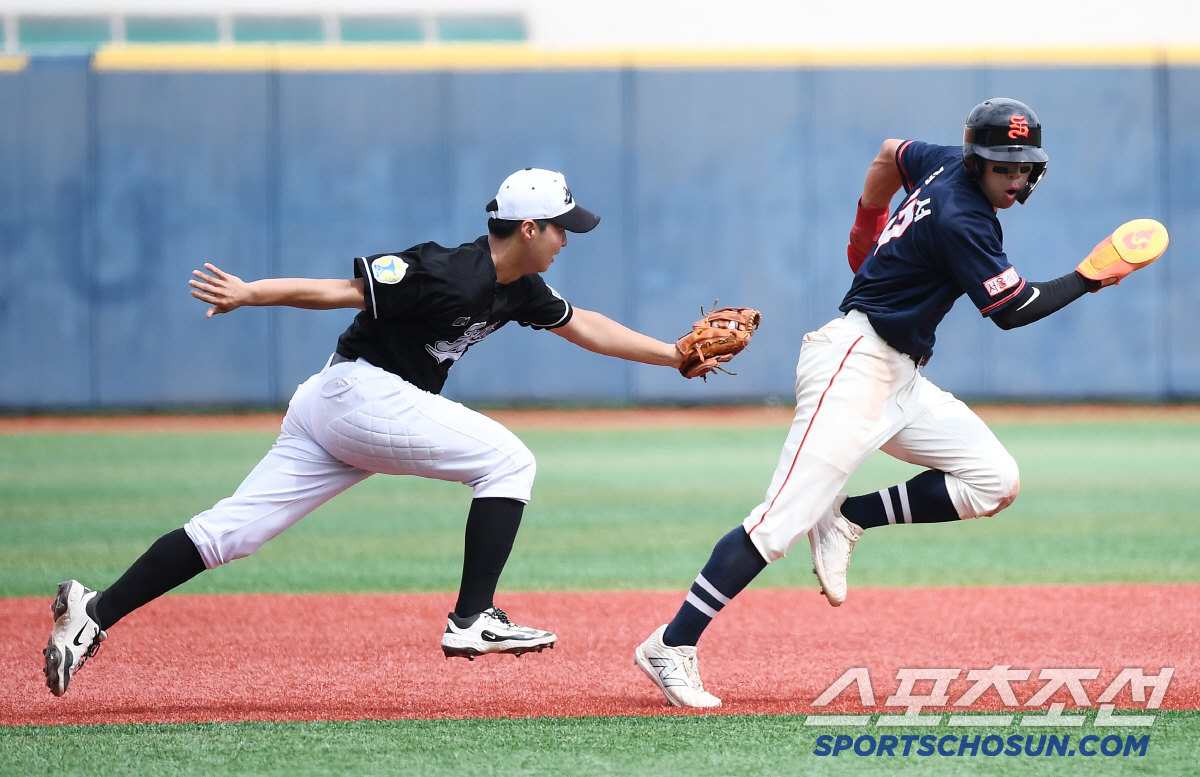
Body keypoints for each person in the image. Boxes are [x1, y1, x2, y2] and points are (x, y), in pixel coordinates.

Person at [44, 168, 693, 697]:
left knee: (229, 533)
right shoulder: (444, 269)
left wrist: (674, 354)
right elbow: (340, 290)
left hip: (342, 406)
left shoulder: (521, 288)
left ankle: (92, 612)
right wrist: (252, 292)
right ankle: (472, 618)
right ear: (529, 227)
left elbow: (586, 325)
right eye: (561, 228)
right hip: (355, 391)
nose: (567, 240)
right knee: (507, 460)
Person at [634, 98, 1164, 707]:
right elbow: (1013, 312)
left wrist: (867, 220)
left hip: (899, 376)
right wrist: (1090, 277)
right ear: (977, 161)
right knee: (778, 522)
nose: (1015, 180)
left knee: (993, 480)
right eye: (1003, 167)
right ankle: (671, 644)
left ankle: (850, 515)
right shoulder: (964, 217)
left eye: (1025, 167)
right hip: (853, 367)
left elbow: (888, 152)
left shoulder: (941, 162)